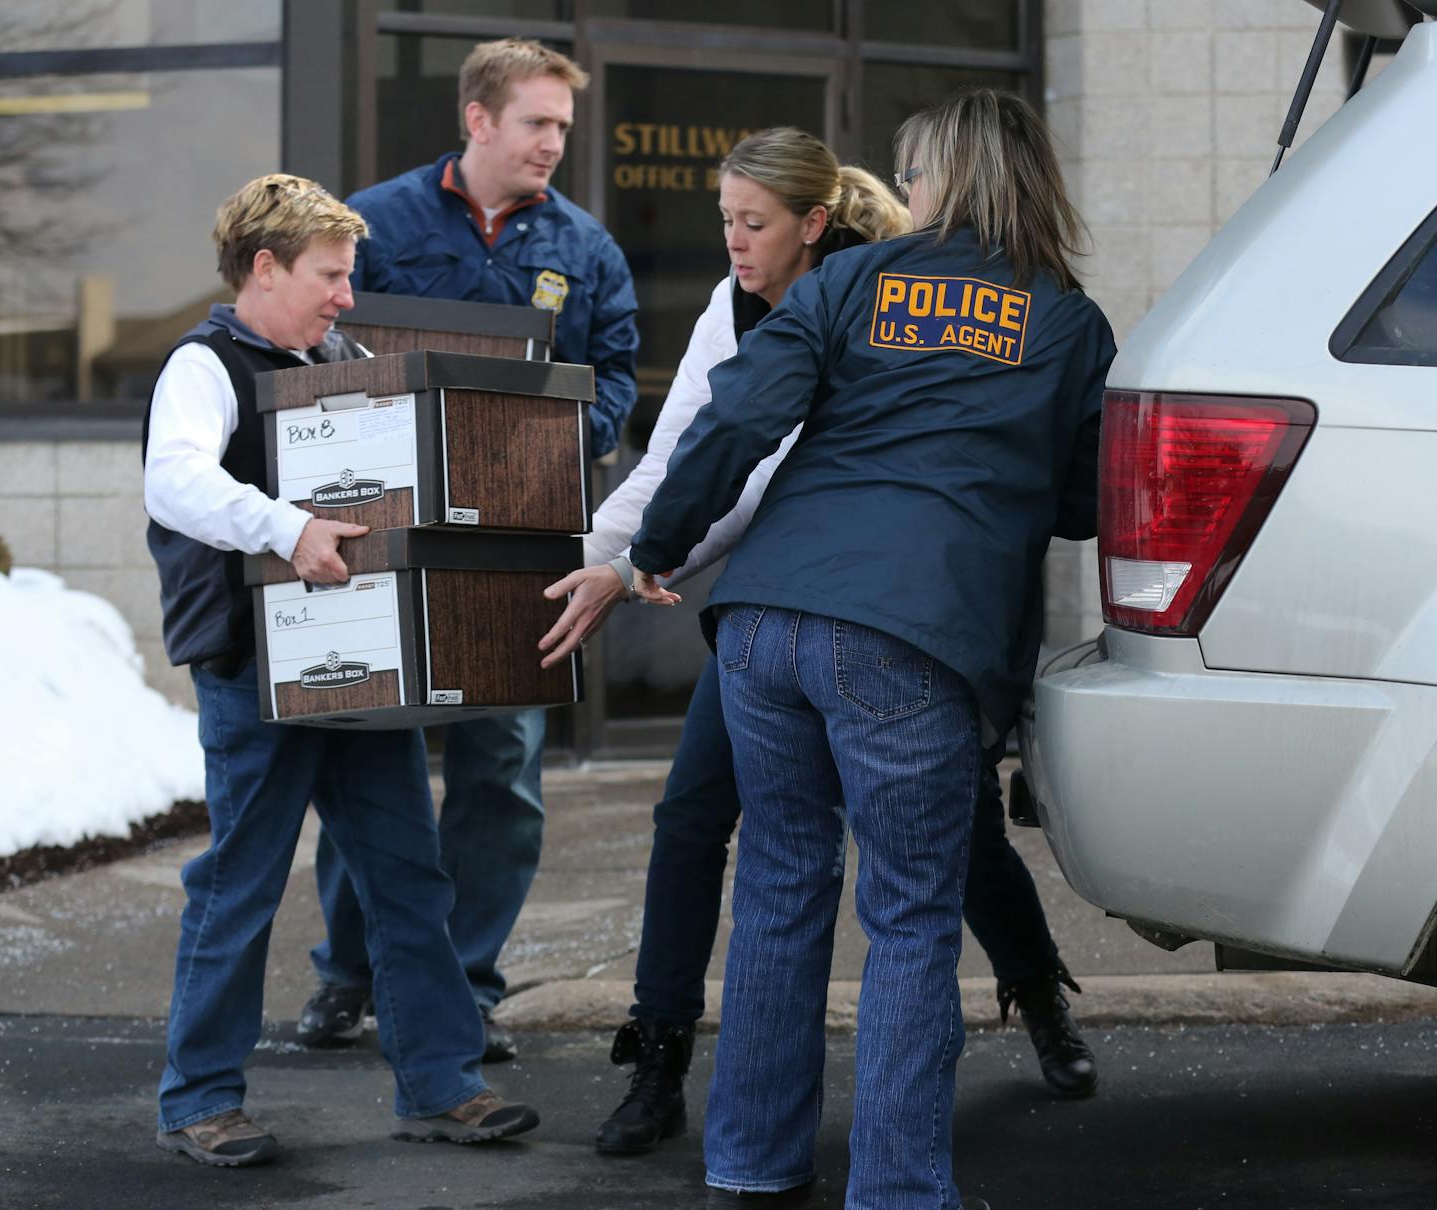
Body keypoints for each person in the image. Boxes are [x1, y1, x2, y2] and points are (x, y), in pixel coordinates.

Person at [541, 125, 1096, 1160]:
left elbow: (730, 432)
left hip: (768, 613)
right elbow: (1080, 495)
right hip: (905, 624)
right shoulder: (1063, 315)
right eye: (725, 222)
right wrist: (629, 557)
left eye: (751, 223)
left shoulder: (853, 283)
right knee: (902, 906)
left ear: (814, 220)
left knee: (791, 889)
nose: (734, 242)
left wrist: (652, 556)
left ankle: (754, 1156)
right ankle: (871, 1173)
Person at [143, 173, 539, 1168]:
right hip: (254, 671)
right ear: (265, 269)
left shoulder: (338, 356)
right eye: (330, 274)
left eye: (350, 275)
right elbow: (177, 479)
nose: (346, 296)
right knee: (241, 882)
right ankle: (199, 1100)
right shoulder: (202, 366)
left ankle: (441, 1085)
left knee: (407, 874)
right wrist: (291, 529)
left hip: (366, 666)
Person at [298, 38, 639, 1062]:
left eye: (563, 129)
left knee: (504, 767)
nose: (553, 144)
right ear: (478, 119)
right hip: (388, 533)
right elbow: (324, 348)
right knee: (371, 755)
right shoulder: (374, 224)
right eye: (537, 122)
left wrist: (553, 443)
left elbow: (614, 373)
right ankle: (350, 974)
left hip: (524, 542)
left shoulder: (584, 249)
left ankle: (467, 980)